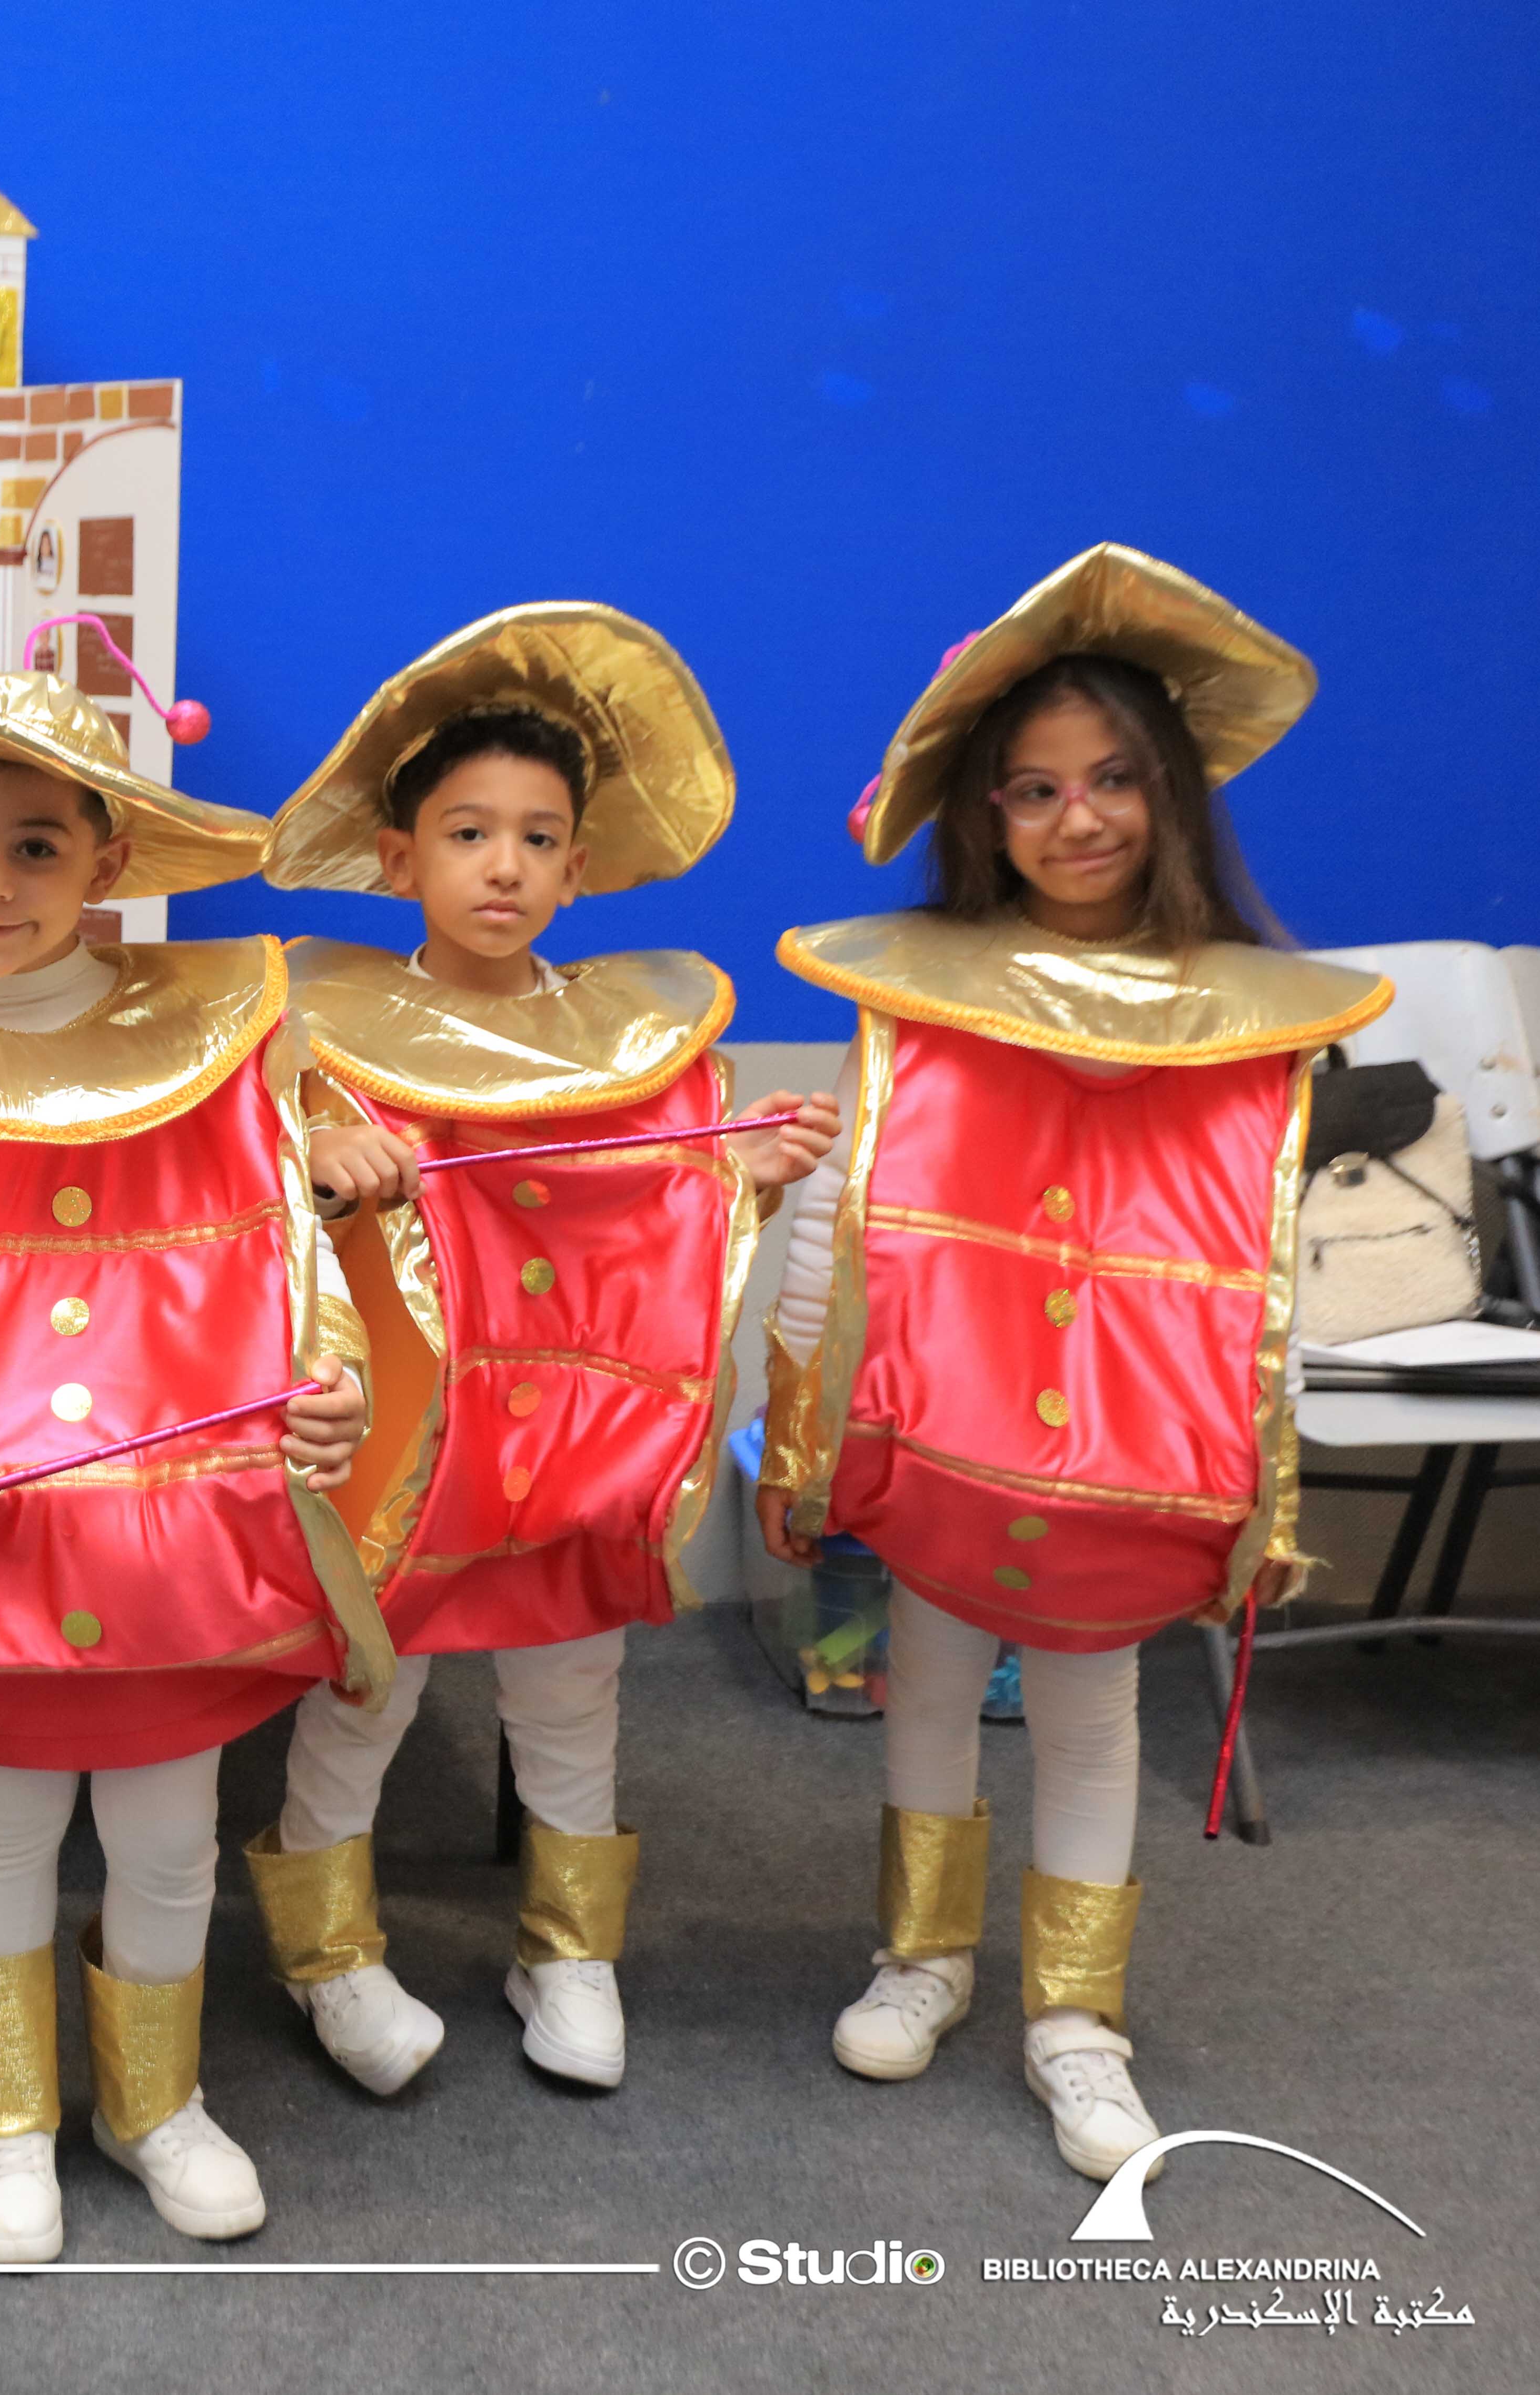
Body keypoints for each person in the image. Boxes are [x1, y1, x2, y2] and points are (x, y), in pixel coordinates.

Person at [756, 543, 1390, 2179]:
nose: (1078, 817)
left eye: (1113, 779)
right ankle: (923, 1955)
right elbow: (846, 1207)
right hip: (945, 1428)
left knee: (1094, 1709)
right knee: (930, 1683)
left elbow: (1260, 1274)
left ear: (1170, 792)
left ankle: (1076, 2018)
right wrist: (801, 1425)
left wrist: (1268, 1474)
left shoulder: (1240, 1017)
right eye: (1034, 789)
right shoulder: (920, 988)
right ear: (988, 815)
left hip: (1127, 1454)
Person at [0, 668, 392, 2262]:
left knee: (169, 1833)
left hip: (174, 1547)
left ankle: (155, 2105)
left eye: (37, 847)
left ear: (107, 862)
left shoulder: (220, 1037)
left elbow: (289, 1265)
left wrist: (336, 1393)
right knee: (4, 1826)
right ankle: (10, 2120)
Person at [250, 606, 837, 2095]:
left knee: (570, 1691)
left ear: (580, 867)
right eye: (468, 833)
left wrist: (742, 1176)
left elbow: (652, 1205)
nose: (503, 865)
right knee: (366, 1688)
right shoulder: (326, 1026)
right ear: (402, 859)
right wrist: (319, 1157)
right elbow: (246, 1207)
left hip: (574, 1439)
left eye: (537, 837)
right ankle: (326, 1952)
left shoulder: (638, 1038)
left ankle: (570, 1949)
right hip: (409, 1435)